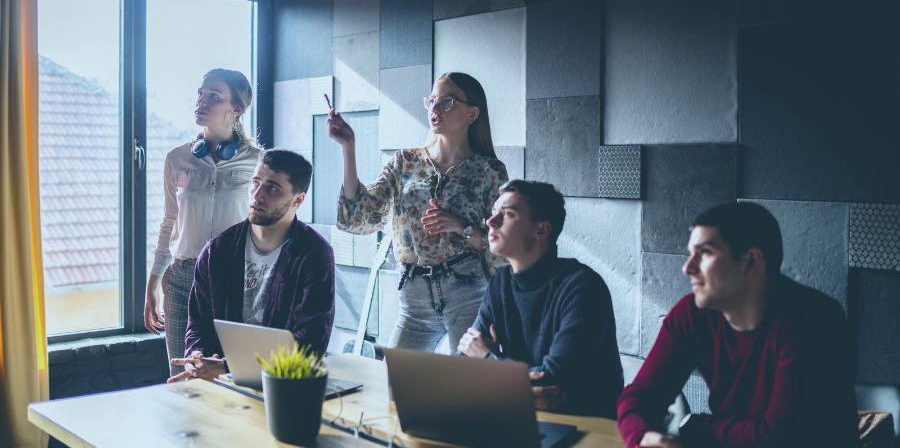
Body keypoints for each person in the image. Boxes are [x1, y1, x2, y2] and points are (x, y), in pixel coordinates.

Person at [617, 202, 858, 448]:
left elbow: (778, 438)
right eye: (691, 254)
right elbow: (638, 397)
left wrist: (694, 427)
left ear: (751, 261)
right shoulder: (692, 314)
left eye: (705, 253)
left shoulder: (814, 320)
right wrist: (643, 437)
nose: (687, 268)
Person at [328, 72, 509, 352]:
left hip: (466, 290)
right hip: (413, 296)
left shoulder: (489, 170)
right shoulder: (405, 161)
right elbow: (360, 217)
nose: (435, 109)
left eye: (447, 102)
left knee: (467, 388)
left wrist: (463, 226)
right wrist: (348, 148)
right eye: (432, 101)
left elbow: (502, 247)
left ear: (473, 113)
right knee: (396, 385)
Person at [457, 180, 624, 418]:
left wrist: (489, 359)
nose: (490, 222)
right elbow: (464, 358)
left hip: (586, 426)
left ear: (541, 230)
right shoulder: (501, 282)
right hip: (523, 416)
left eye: (507, 214)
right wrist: (498, 370)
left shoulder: (583, 287)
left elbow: (552, 379)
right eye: (493, 213)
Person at [168, 150, 335, 382]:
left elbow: (309, 344)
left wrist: (229, 367)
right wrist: (198, 358)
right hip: (218, 385)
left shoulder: (314, 255)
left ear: (298, 200)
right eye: (255, 182)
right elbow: (198, 324)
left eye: (272, 188)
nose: (257, 195)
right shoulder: (217, 251)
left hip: (281, 386)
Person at [144, 69, 262, 376]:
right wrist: (153, 284)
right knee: (182, 376)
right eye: (200, 93)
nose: (202, 101)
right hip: (182, 278)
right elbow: (169, 222)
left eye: (214, 96)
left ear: (236, 109)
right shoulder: (176, 159)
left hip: (234, 278)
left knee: (230, 374)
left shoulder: (258, 162)